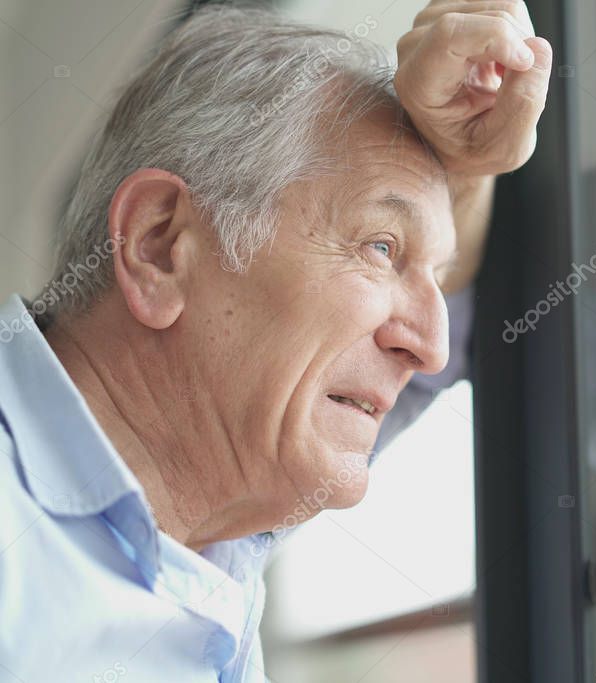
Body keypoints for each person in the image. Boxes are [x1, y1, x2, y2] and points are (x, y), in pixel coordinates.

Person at [0, 2, 551, 681]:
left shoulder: (220, 503)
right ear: (160, 244)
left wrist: (468, 163)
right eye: (381, 246)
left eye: (431, 275)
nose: (430, 346)